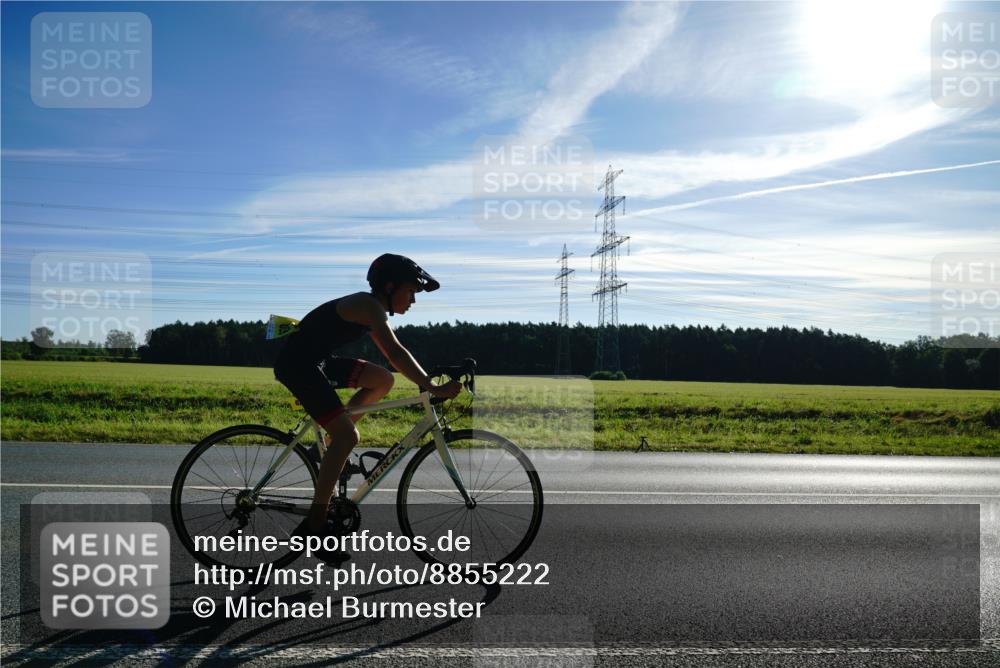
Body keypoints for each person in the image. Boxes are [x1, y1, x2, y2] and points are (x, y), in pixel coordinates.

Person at [273, 254, 462, 539]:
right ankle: (315, 525)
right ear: (389, 287)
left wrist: (427, 382)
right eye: (411, 291)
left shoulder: (371, 307)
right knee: (349, 437)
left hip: (317, 361)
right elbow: (394, 352)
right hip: (299, 366)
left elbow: (392, 358)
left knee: (383, 380)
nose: (413, 300)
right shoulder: (368, 306)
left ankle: (328, 445)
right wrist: (431, 386)